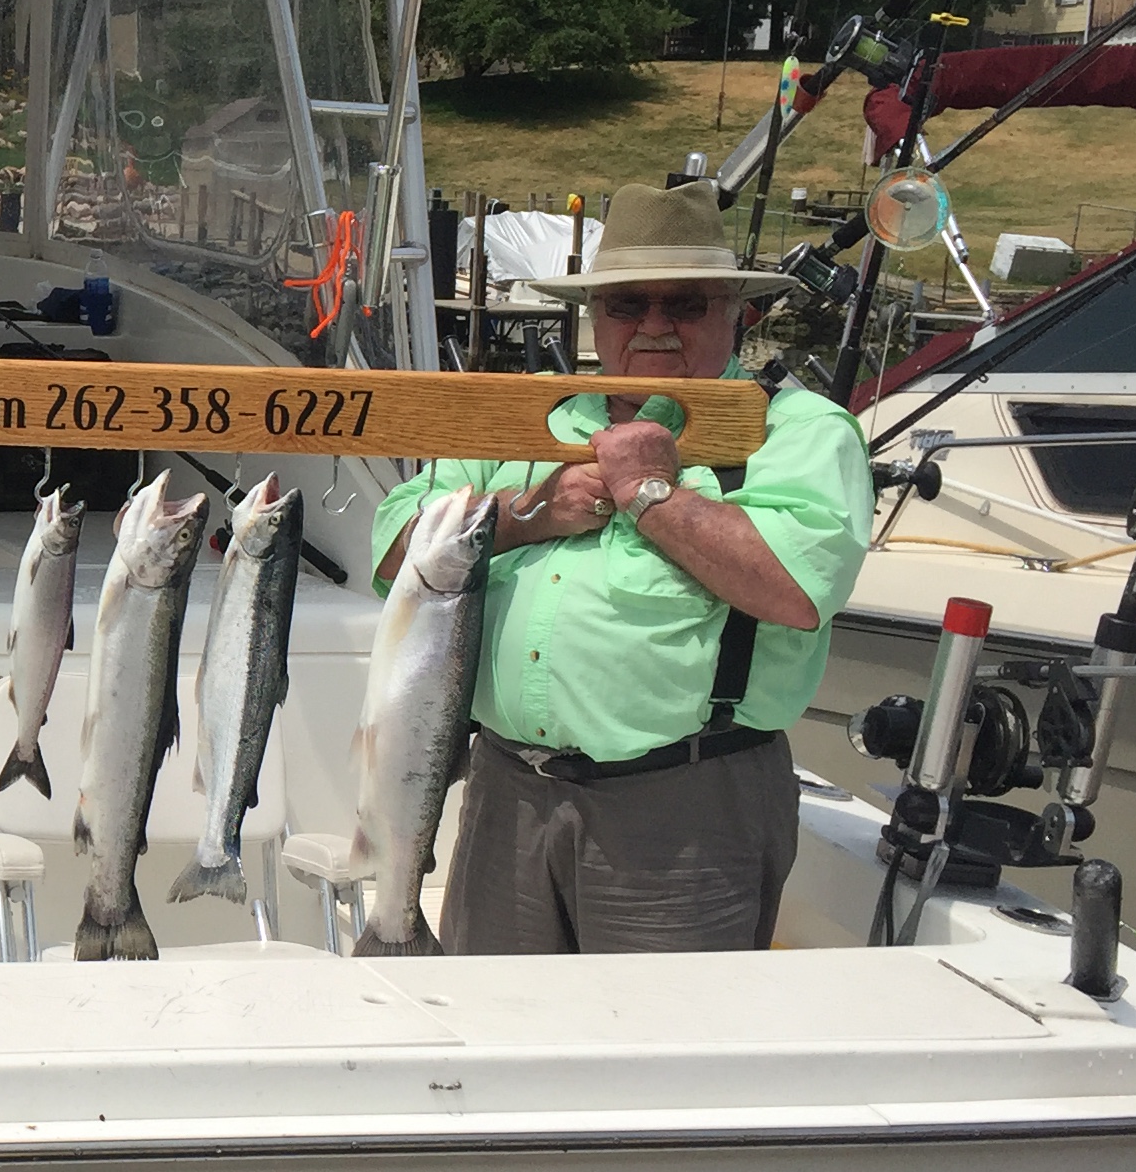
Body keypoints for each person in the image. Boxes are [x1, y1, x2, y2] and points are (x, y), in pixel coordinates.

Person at [369, 180, 873, 953]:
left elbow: (796, 590)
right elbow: (395, 545)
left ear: (738, 314)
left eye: (687, 305)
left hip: (687, 812)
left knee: (657, 1065)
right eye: (629, 304)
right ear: (595, 316)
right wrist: (524, 514)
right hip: (505, 794)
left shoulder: (796, 430)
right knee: (493, 1045)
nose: (656, 326)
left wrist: (649, 493)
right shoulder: (520, 413)